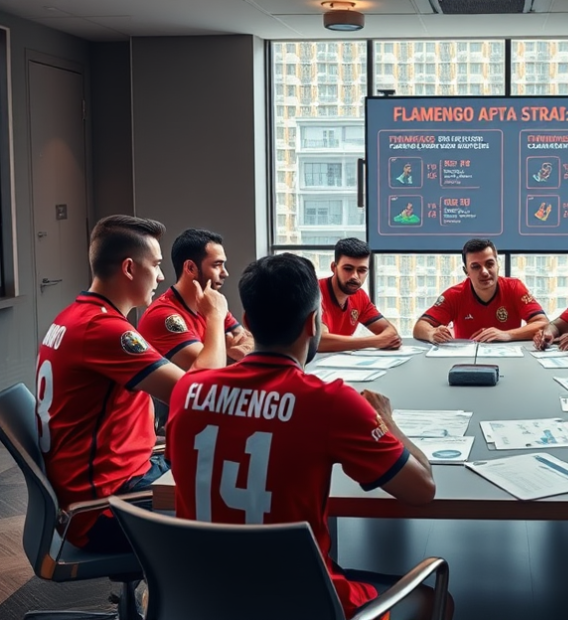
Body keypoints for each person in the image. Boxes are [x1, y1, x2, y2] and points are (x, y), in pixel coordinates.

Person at [166, 253, 452, 620]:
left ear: (248, 322)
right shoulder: (330, 402)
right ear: (312, 323)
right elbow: (422, 489)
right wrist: (388, 422)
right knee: (435, 601)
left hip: (200, 596)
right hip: (301, 601)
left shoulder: (188, 389)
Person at [35, 215, 227, 552]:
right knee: (234, 505)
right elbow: (200, 391)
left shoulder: (73, 317)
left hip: (118, 477)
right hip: (105, 507)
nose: (162, 276)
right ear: (129, 268)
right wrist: (214, 317)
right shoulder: (104, 329)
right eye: (155, 264)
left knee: (224, 470)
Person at [139, 228, 253, 370]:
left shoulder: (211, 303)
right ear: (191, 268)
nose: (225, 273)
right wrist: (232, 350)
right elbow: (210, 370)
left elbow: (250, 340)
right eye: (217, 265)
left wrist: (238, 350)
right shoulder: (164, 316)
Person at [413, 238, 547, 343]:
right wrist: (431, 333)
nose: (484, 272)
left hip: (508, 358)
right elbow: (420, 326)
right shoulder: (455, 295)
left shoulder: (514, 287)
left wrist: (507, 335)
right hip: (466, 361)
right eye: (476, 267)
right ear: (466, 271)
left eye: (490, 264)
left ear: (498, 265)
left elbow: (543, 323)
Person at [319, 238, 402, 352]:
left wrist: (383, 339)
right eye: (348, 269)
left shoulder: (360, 296)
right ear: (334, 268)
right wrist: (375, 342)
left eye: (362, 270)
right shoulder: (315, 293)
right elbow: (319, 342)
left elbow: (390, 333)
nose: (355, 276)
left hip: (340, 361)